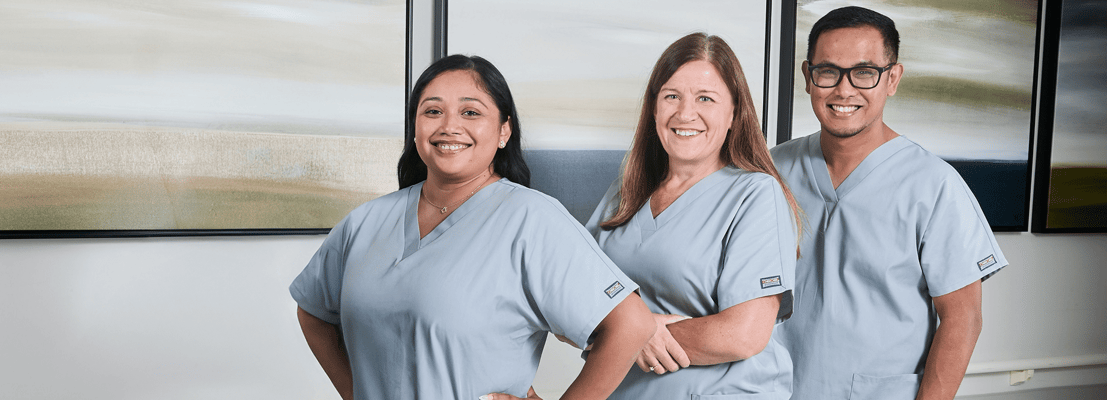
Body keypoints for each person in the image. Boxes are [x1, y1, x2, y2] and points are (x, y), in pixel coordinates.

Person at [290, 54, 654, 400]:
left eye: (470, 112)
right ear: (415, 127)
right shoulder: (366, 221)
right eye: (433, 111)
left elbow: (631, 324)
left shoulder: (532, 219)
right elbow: (313, 310)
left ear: (503, 131)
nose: (449, 126)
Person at [771, 6, 1008, 400]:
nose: (844, 90)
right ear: (807, 78)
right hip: (774, 389)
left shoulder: (933, 185)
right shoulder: (771, 170)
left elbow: (962, 318)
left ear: (892, 78)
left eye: (864, 72)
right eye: (828, 71)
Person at [585, 32, 801, 399]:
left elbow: (743, 335)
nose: (685, 114)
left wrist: (629, 334)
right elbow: (568, 299)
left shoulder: (755, 195)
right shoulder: (627, 191)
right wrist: (633, 330)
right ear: (654, 108)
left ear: (734, 113)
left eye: (705, 98)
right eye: (672, 96)